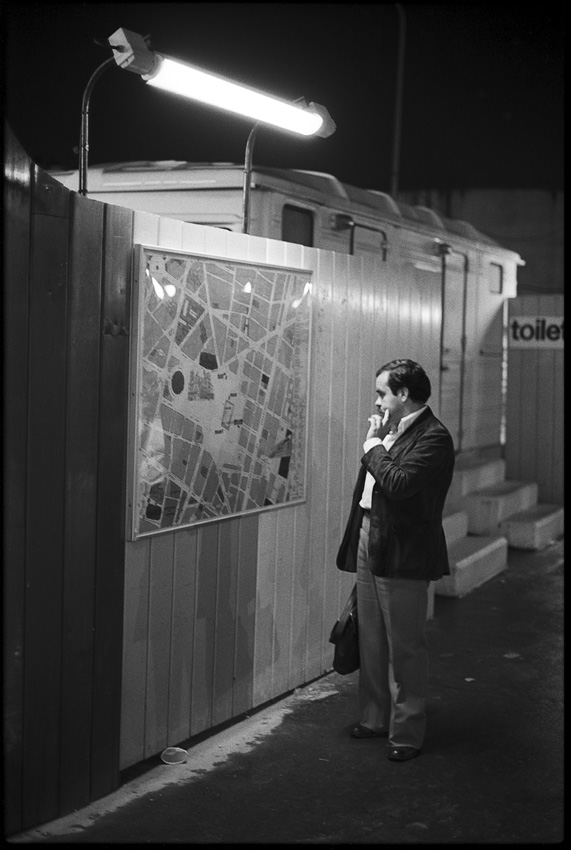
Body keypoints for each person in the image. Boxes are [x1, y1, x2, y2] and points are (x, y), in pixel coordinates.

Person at [336, 359, 455, 761]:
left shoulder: (434, 437)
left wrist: (373, 446)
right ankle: (374, 718)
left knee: (405, 644)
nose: (377, 401)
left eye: (382, 393)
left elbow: (399, 484)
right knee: (370, 635)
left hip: (405, 548)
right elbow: (372, 489)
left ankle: (406, 732)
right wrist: (380, 441)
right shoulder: (391, 430)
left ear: (403, 394)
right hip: (371, 534)